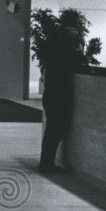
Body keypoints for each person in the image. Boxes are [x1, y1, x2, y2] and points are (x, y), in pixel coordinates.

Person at [38, 26, 86, 173]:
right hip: (59, 97)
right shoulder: (64, 53)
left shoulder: (53, 51)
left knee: (52, 131)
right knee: (55, 131)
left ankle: (46, 162)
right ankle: (47, 163)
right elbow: (78, 62)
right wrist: (80, 49)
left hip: (51, 96)